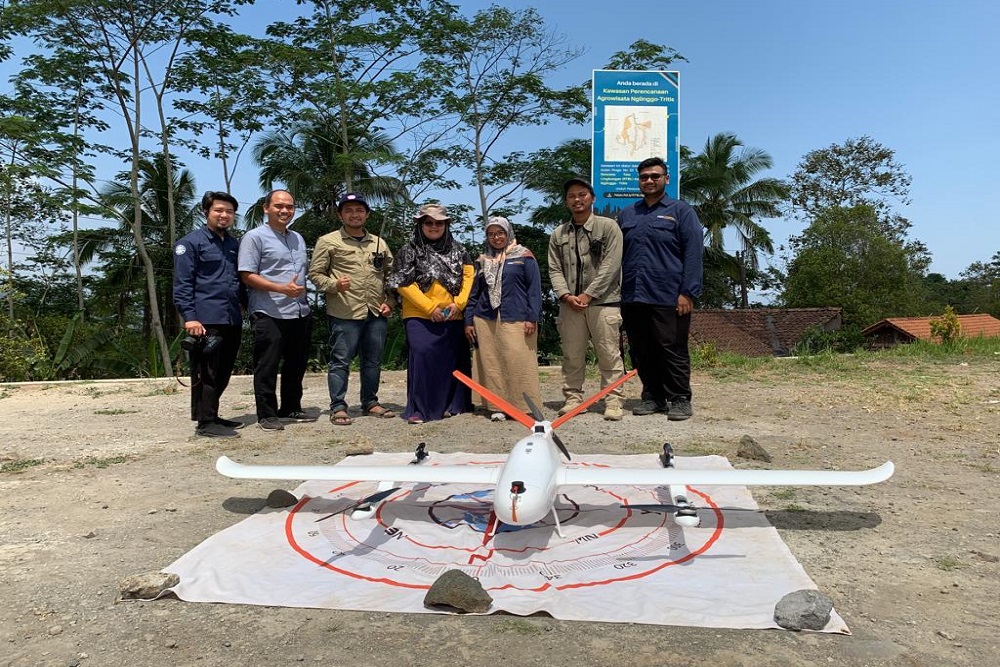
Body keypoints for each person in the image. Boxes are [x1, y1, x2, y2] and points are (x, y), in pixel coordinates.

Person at [617, 157, 703, 420]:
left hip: (669, 295)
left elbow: (693, 254)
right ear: (639, 181)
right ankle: (652, 396)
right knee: (641, 348)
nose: (649, 181)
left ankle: (679, 398)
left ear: (666, 179)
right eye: (644, 177)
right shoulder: (628, 214)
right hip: (633, 294)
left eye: (655, 176)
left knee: (672, 347)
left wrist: (688, 292)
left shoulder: (681, 211)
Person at [308, 193, 395, 426]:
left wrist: (391, 302)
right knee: (340, 361)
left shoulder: (379, 243)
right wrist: (333, 285)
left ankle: (370, 402)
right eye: (348, 210)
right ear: (340, 214)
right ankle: (338, 406)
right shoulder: (328, 241)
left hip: (376, 311)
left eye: (359, 210)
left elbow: (392, 276)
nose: (354, 214)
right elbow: (315, 274)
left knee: (373, 361)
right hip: (344, 311)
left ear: (367, 214)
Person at [387, 203, 475, 424]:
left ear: (446, 225)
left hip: (453, 313)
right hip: (419, 315)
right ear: (420, 225)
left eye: (439, 223)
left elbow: (469, 277)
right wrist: (430, 308)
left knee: (452, 359)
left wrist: (459, 304)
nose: (434, 226)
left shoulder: (460, 250)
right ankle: (420, 409)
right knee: (423, 355)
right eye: (429, 222)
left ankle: (453, 405)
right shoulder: (409, 251)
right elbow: (403, 284)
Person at [548, 177, 626, 421]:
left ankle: (613, 400)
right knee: (572, 354)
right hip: (570, 304)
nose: (577, 199)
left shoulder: (608, 227)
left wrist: (588, 294)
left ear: (592, 198)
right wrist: (566, 295)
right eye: (572, 196)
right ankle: (573, 398)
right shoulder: (558, 234)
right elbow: (554, 269)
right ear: (566, 202)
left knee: (609, 352)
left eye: (582, 194)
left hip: (604, 302)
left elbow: (611, 265)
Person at [237, 189, 316, 430]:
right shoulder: (254, 237)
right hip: (268, 311)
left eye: (289, 207)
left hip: (299, 310)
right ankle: (267, 414)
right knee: (267, 365)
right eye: (279, 206)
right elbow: (246, 275)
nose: (284, 211)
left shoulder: (298, 238)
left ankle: (291, 407)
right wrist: (280, 289)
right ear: (266, 208)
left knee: (296, 363)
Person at [172, 191, 245, 438]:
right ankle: (205, 423)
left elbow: (239, 281)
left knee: (223, 371)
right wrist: (190, 317)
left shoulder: (234, 245)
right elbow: (183, 284)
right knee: (207, 372)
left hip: (232, 317)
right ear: (206, 212)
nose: (224, 215)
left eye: (229, 212)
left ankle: (212, 414)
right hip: (205, 319)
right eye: (219, 210)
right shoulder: (190, 243)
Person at [465, 216, 543, 421]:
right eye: (491, 234)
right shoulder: (483, 260)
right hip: (485, 318)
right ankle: (495, 406)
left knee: (518, 360)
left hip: (517, 316)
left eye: (500, 233)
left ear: (508, 233)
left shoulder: (524, 256)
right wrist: (468, 320)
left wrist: (532, 317)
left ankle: (522, 406)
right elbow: (475, 293)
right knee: (492, 363)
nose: (496, 237)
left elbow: (534, 290)